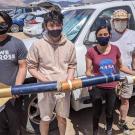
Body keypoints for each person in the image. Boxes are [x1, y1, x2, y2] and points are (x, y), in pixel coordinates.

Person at [27, 10, 77, 135]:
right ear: (45, 26)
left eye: (58, 25)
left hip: (63, 88)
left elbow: (72, 65)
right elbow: (31, 67)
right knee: (45, 119)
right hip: (45, 88)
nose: (55, 28)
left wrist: (69, 80)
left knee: (62, 118)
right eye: (51, 25)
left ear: (62, 25)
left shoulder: (70, 45)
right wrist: (45, 80)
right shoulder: (37, 45)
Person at [85, 24, 135, 135]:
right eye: (100, 35)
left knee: (110, 112)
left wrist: (133, 73)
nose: (103, 36)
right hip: (97, 86)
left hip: (112, 86)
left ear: (109, 35)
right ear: (96, 37)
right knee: (96, 112)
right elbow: (88, 71)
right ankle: (95, 131)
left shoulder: (115, 49)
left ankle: (109, 131)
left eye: (105, 34)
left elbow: (121, 67)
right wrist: (90, 80)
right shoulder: (91, 52)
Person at [0, 11, 27, 135]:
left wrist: (17, 86)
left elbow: (22, 66)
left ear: (8, 24)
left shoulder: (17, 43)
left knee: (15, 129)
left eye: (2, 23)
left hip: (12, 97)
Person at [110, 9, 135, 134]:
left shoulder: (133, 34)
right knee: (110, 101)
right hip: (110, 75)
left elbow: (134, 54)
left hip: (127, 75)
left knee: (125, 99)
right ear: (113, 21)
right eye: (118, 20)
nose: (121, 22)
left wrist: (134, 70)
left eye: (124, 20)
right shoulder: (108, 35)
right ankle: (109, 124)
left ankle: (122, 121)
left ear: (127, 21)